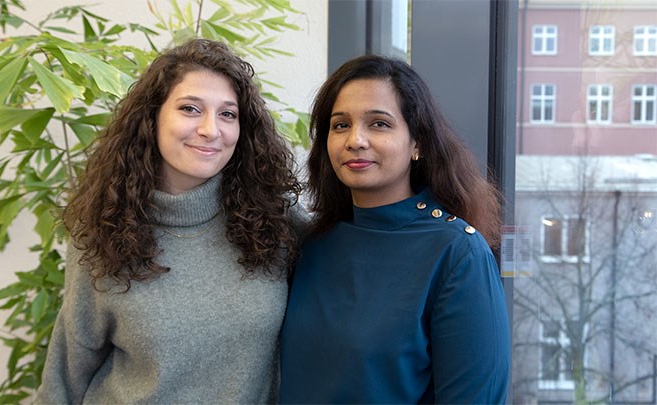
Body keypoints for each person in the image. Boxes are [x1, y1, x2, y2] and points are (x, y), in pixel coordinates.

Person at [35, 38, 306, 403]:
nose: (211, 129)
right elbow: (64, 378)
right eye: (191, 109)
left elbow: (360, 253)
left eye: (228, 114)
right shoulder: (104, 232)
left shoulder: (273, 220)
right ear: (153, 117)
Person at [280, 55, 510, 404]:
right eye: (340, 125)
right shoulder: (312, 245)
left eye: (379, 124)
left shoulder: (456, 253)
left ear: (417, 142)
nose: (355, 140)